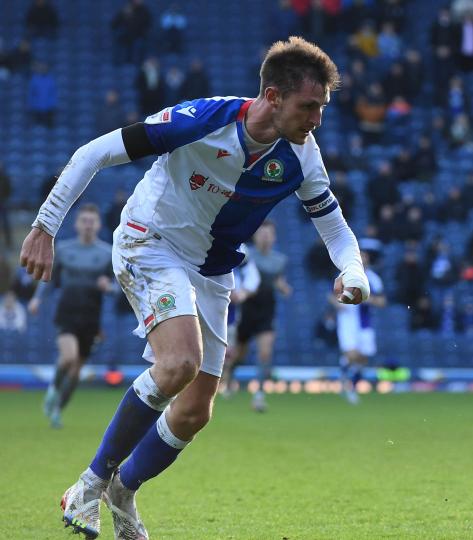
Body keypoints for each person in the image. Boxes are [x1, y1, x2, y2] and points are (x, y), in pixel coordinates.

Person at [20, 37, 370, 539]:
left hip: (211, 270)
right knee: (178, 362)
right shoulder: (202, 119)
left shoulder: (303, 157)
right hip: (150, 241)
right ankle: (90, 484)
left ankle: (124, 490)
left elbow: (334, 227)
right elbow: (94, 153)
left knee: (193, 412)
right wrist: (45, 226)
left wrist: (353, 272)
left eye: (322, 107)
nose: (317, 118)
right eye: (309, 106)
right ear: (272, 96)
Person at [28, 204, 114, 429]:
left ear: (98, 225)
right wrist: (37, 299)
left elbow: (120, 286)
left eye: (91, 221)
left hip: (91, 317)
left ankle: (57, 410)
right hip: (67, 312)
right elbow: (49, 280)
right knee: (68, 357)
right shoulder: (64, 250)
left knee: (76, 372)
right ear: (77, 224)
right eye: (83, 221)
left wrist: (109, 288)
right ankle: (53, 390)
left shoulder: (107, 253)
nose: (87, 225)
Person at [231, 220, 291, 412]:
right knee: (239, 354)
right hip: (247, 310)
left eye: (269, 233)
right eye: (261, 233)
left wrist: (284, 288)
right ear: (255, 236)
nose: (265, 237)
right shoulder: (247, 255)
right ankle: (230, 376)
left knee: (265, 352)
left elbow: (280, 282)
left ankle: (259, 394)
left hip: (266, 311)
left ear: (273, 237)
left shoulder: (280, 260)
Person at [330, 250, 385, 405]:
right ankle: (349, 387)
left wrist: (369, 299)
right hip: (347, 321)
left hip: (364, 324)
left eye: (364, 256)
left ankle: (346, 377)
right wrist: (338, 303)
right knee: (352, 353)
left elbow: (382, 302)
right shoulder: (344, 275)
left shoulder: (374, 279)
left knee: (364, 357)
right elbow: (332, 296)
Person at [219, 243, 261, 398]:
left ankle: (225, 382)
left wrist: (241, 294)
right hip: (206, 302)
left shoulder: (240, 247)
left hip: (231, 311)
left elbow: (253, 278)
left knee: (228, 350)